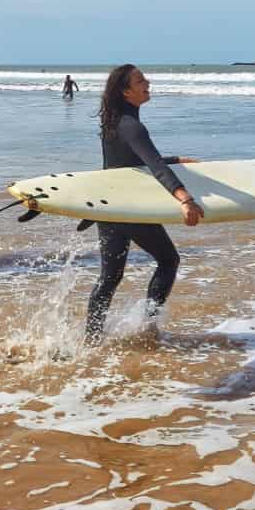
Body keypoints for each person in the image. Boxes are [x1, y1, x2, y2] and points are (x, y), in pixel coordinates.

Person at [86, 64, 202, 345]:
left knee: (110, 277)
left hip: (110, 208)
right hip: (130, 208)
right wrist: (185, 198)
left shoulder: (115, 124)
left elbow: (130, 162)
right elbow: (154, 166)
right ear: (127, 91)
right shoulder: (132, 126)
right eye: (140, 80)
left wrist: (175, 160)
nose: (147, 82)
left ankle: (90, 339)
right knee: (168, 260)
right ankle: (148, 328)